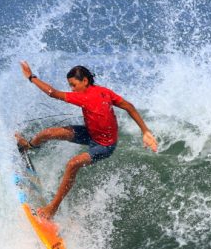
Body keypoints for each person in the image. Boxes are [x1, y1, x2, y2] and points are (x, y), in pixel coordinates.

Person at [16, 61, 158, 220]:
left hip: (104, 146)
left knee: (72, 164)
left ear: (85, 81)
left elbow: (52, 93)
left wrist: (31, 77)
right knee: (47, 133)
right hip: (90, 133)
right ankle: (27, 146)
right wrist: (144, 130)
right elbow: (130, 107)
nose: (72, 89)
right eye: (70, 85)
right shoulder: (102, 92)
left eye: (73, 85)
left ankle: (52, 208)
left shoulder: (96, 94)